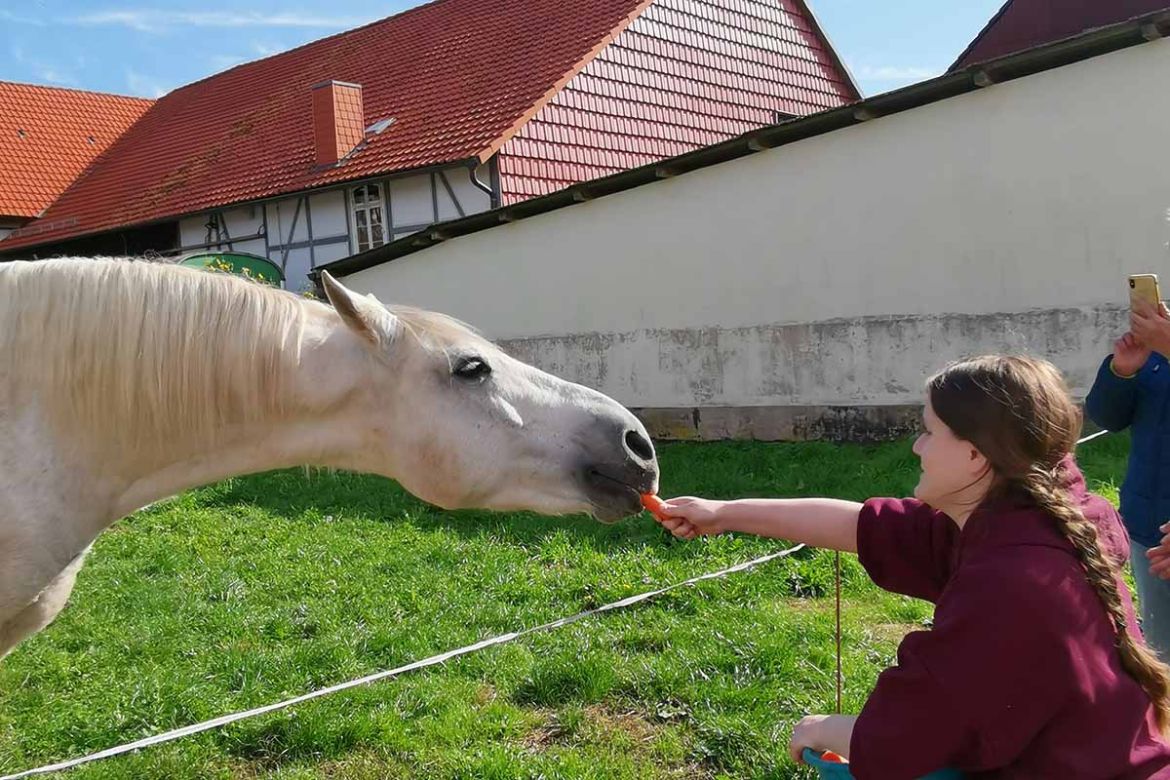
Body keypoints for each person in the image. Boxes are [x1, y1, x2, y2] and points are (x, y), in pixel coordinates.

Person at [657, 355, 1170, 779]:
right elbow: (861, 525)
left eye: (928, 432)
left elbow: (912, 733)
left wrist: (821, 729)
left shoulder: (1011, 581)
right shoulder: (1027, 518)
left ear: (974, 456)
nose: (916, 446)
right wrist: (722, 513)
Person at [1086, 299, 1170, 660]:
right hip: (1150, 527)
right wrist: (1121, 371)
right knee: (1162, 654)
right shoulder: (1155, 346)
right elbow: (1107, 416)